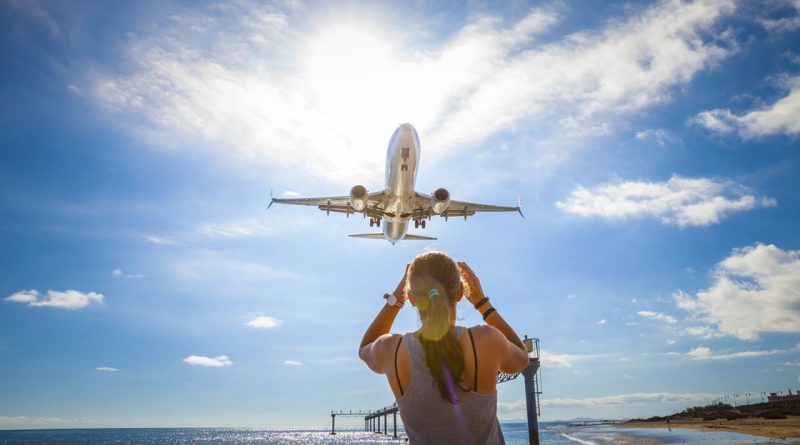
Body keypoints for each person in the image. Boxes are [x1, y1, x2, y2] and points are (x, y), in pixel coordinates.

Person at [359, 251, 529, 445]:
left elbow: (365, 346)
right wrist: (482, 303)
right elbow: (521, 357)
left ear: (412, 299)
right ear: (459, 294)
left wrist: (397, 298)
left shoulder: (393, 350)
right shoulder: (485, 340)